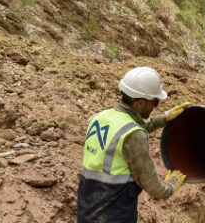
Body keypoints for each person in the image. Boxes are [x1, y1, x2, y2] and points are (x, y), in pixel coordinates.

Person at [77, 66, 192, 223]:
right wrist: (171, 184)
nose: (155, 107)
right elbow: (155, 188)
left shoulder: (97, 118)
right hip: (116, 217)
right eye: (155, 102)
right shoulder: (134, 135)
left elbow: (128, 127)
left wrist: (164, 118)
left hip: (86, 214)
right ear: (139, 103)